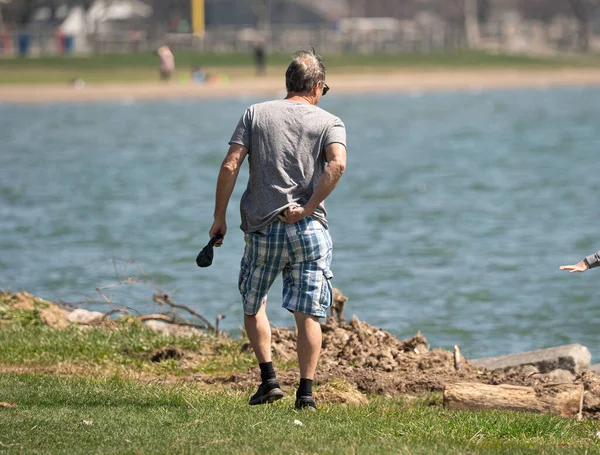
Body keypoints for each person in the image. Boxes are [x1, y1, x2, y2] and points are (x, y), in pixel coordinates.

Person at [209, 48, 346, 411]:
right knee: (308, 314)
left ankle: (269, 380)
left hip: (262, 229)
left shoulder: (255, 113)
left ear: (287, 83)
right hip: (308, 231)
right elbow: (338, 165)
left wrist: (219, 217)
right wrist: (308, 208)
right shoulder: (329, 122)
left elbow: (230, 165)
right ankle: (306, 394)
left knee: (254, 306)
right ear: (317, 87)